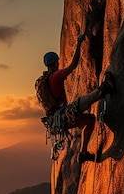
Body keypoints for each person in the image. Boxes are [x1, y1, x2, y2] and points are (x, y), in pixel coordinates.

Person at [41, 34, 115, 163]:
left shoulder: (45, 80)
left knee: (91, 119)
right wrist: (79, 43)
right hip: (63, 115)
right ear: (56, 62)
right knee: (81, 103)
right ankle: (103, 89)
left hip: (57, 120)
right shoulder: (56, 76)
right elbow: (73, 65)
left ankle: (84, 154)